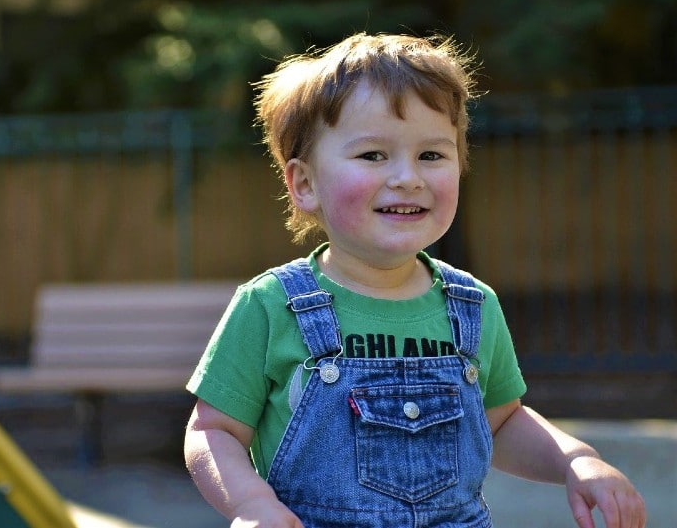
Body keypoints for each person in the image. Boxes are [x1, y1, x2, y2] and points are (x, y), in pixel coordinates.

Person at [183, 32, 646, 528]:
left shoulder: (471, 305)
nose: (408, 177)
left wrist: (577, 460)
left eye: (431, 155)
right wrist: (251, 505)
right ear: (305, 184)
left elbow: (504, 421)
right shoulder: (272, 305)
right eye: (373, 156)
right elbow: (214, 432)